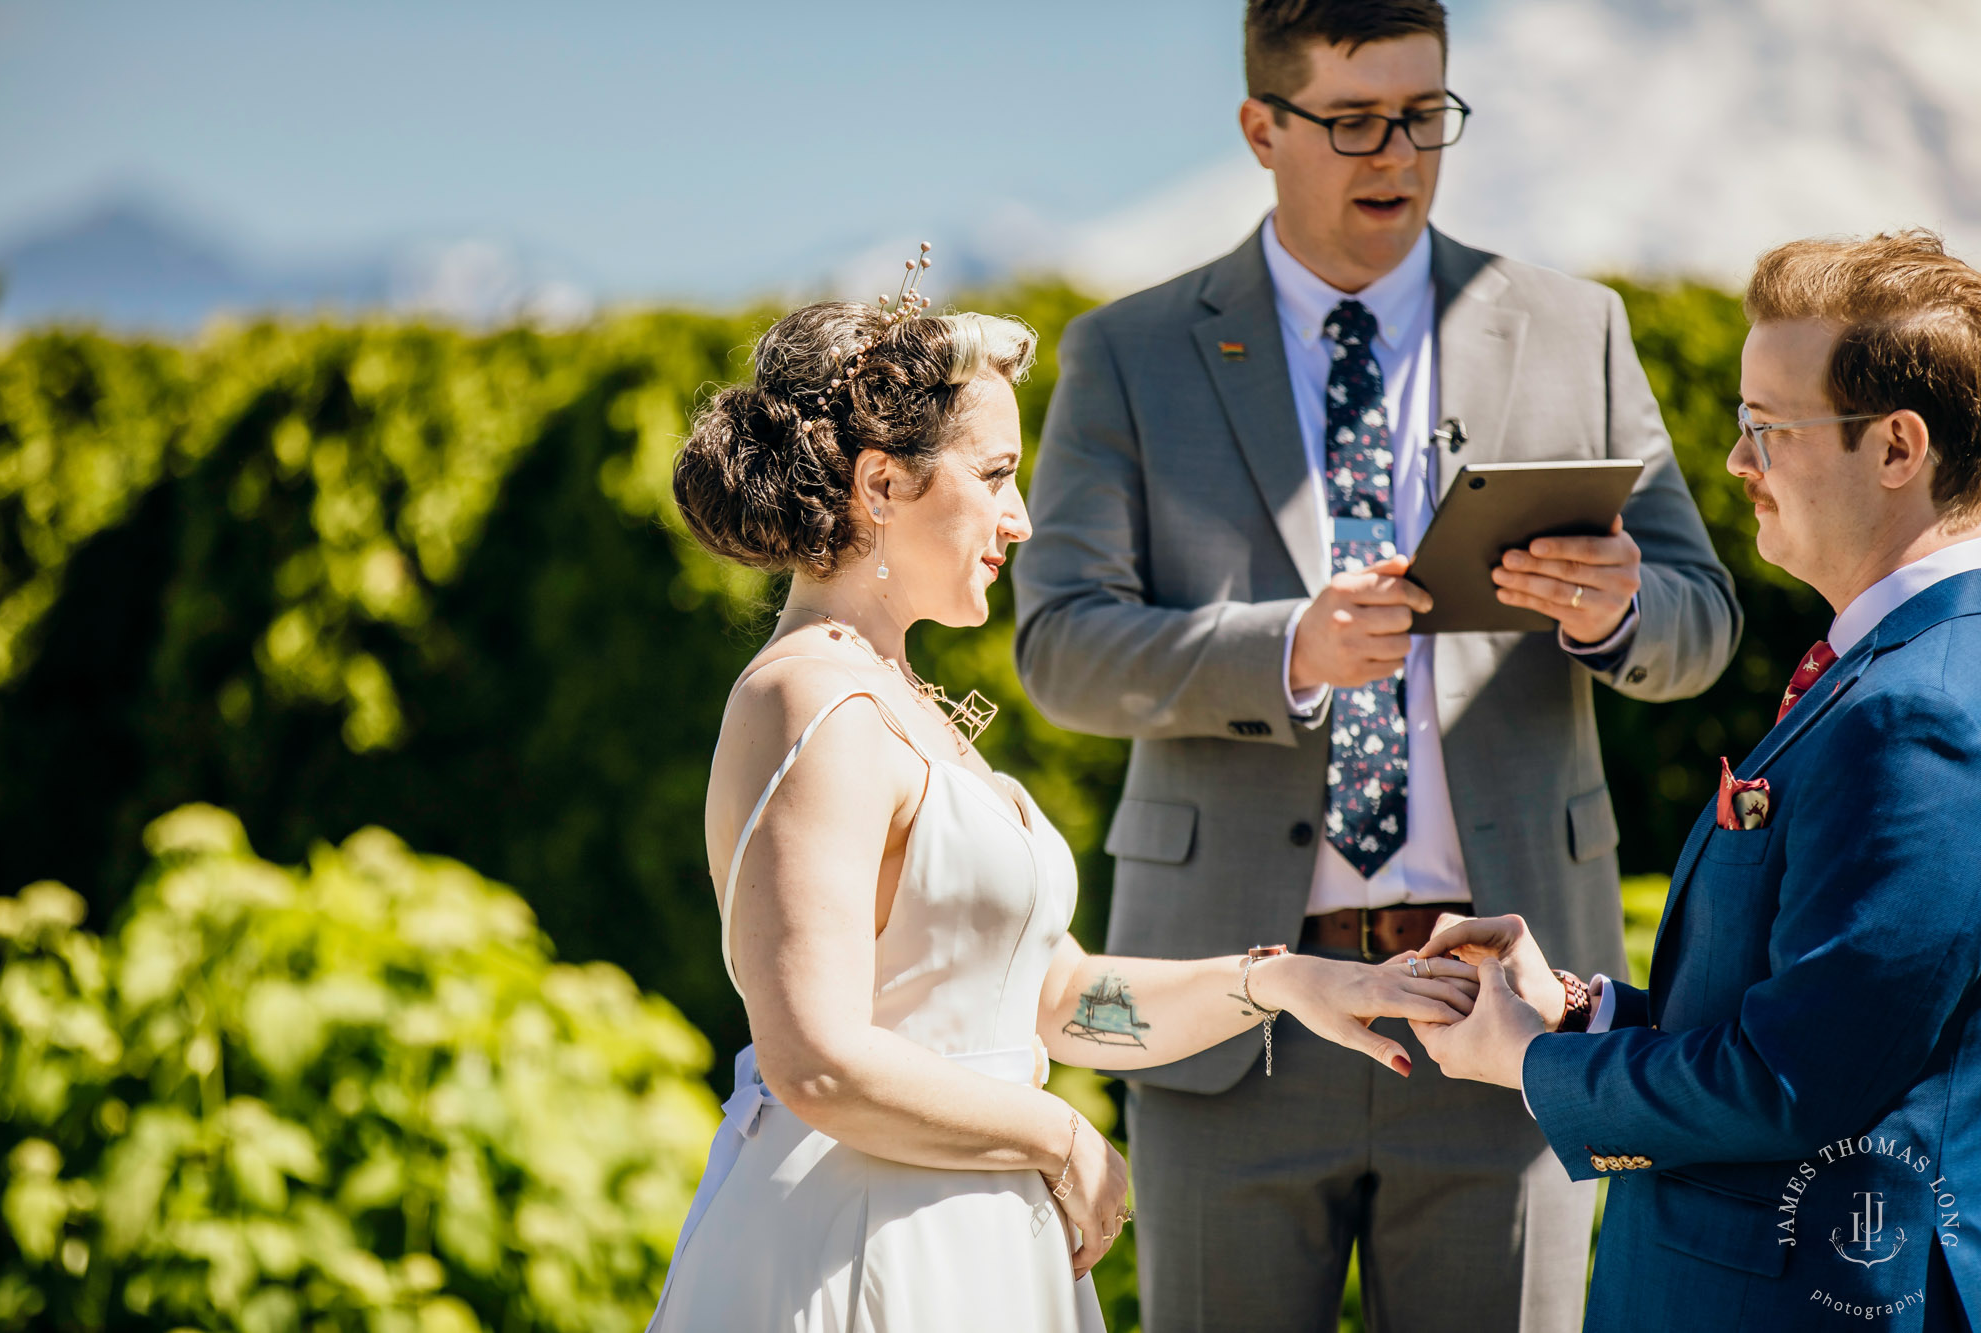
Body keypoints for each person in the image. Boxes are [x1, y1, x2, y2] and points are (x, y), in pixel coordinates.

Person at [1010, 1, 1741, 1328]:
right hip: (1233, 1017)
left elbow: (1701, 619)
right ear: (1260, 128)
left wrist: (1611, 612)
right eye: (1352, 122)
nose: (1395, 154)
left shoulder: (1574, 329)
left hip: (1498, 1016)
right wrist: (1282, 648)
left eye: (1423, 115)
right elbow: (1058, 646)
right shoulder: (1126, 354)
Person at [648, 268, 1479, 1333]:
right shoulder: (806, 696)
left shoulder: (896, 697)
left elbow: (1058, 1002)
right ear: (881, 486)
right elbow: (815, 1060)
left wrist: (1281, 984)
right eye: (994, 474)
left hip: (973, 1238)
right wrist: (1057, 1136)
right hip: (860, 1250)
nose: (1022, 518)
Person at [1412, 230, 1981, 1332]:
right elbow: (1809, 1014)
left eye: (1765, 428)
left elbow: (1792, 1078)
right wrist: (1579, 1015)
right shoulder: (1887, 669)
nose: (1734, 464)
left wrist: (1529, 1064)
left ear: (1897, 447)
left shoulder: (1916, 710)